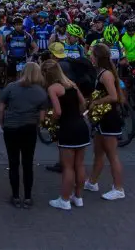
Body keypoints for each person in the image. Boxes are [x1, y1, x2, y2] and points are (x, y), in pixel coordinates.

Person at [41, 59, 89, 211]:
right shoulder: (72, 84)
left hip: (68, 127)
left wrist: (50, 119)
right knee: (80, 164)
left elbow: (58, 112)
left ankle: (65, 199)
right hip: (81, 126)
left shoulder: (53, 88)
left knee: (68, 167)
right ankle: (78, 197)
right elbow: (83, 103)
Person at [0, 63, 48, 208]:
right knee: (27, 162)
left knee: (13, 162)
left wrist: (2, 123)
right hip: (29, 128)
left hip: (11, 127)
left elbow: (1, 107)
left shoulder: (11, 87)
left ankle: (15, 196)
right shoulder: (40, 92)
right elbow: (42, 117)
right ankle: (27, 197)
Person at [84, 43, 126, 200]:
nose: (90, 57)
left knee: (111, 154)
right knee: (98, 152)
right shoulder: (100, 72)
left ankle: (118, 188)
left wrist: (96, 102)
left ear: (98, 57)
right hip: (102, 118)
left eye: (92, 55)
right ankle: (92, 182)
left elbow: (114, 96)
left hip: (109, 117)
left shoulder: (106, 74)